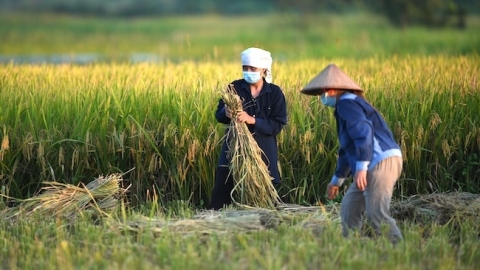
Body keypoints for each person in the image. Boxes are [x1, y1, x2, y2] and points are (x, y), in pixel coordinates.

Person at [300, 63, 403, 244]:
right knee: (350, 207)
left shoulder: (347, 103)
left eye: (322, 92)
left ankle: (398, 252)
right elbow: (347, 149)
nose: (321, 98)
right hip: (370, 162)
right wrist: (336, 181)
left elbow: (363, 132)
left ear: (331, 90)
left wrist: (362, 167)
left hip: (379, 161)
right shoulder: (346, 105)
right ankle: (352, 247)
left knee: (376, 214)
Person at [209, 47, 287, 210]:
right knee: (224, 184)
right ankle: (218, 217)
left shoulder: (274, 93)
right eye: (245, 68)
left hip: (263, 150)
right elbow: (219, 114)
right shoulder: (234, 88)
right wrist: (226, 112)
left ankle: (265, 217)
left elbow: (278, 124)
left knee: (265, 191)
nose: (248, 72)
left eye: (253, 69)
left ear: (263, 70)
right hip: (234, 146)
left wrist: (252, 120)